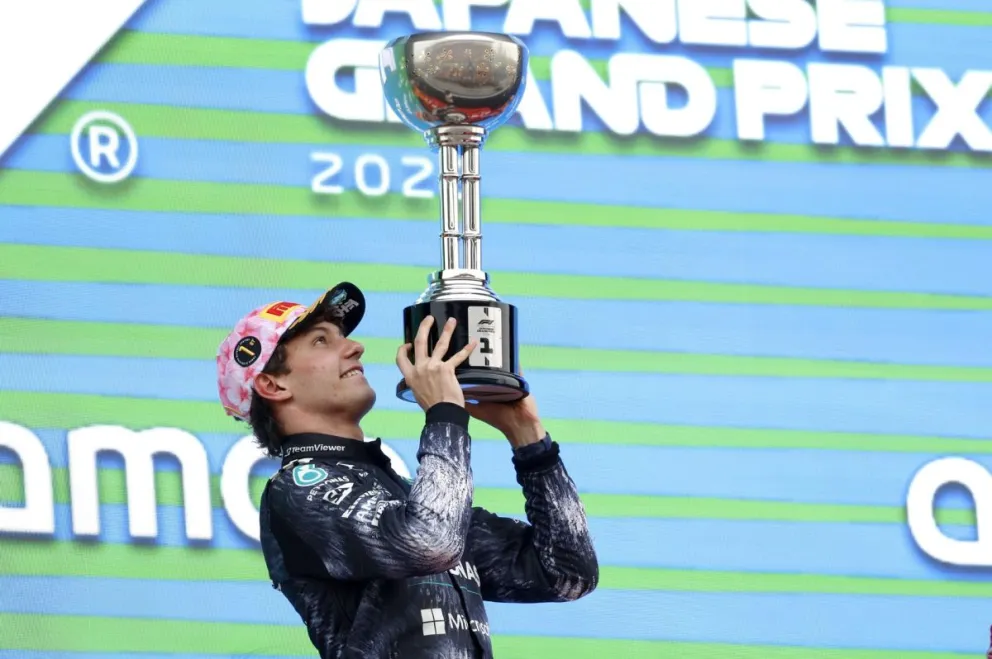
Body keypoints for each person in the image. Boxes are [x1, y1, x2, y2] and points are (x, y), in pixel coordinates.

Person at [215, 281, 599, 659]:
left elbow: (567, 574)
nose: (354, 346)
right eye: (321, 340)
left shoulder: (400, 496)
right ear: (272, 384)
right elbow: (431, 541)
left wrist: (527, 436)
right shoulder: (296, 491)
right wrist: (445, 414)